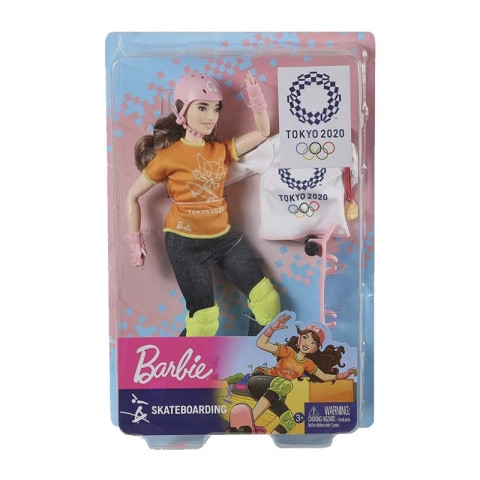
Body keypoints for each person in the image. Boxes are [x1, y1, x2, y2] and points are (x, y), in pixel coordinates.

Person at [125, 71, 280, 337]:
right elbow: (132, 195)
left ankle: (254, 358)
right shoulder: (168, 157)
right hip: (185, 241)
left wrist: (256, 96)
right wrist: (134, 242)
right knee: (204, 322)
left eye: (216, 108)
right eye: (202, 107)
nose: (211, 116)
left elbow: (263, 132)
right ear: (181, 110)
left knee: (267, 301)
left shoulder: (219, 150)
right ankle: (181, 363)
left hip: (223, 237)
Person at [245, 313, 356, 433]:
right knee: (285, 384)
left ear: (316, 349)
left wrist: (344, 375)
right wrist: (272, 328)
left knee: (289, 421)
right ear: (299, 339)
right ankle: (248, 423)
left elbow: (323, 376)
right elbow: (261, 343)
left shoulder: (308, 363)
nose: (308, 343)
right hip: (258, 381)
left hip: (273, 392)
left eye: (313, 342)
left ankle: (268, 435)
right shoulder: (288, 352)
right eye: (305, 337)